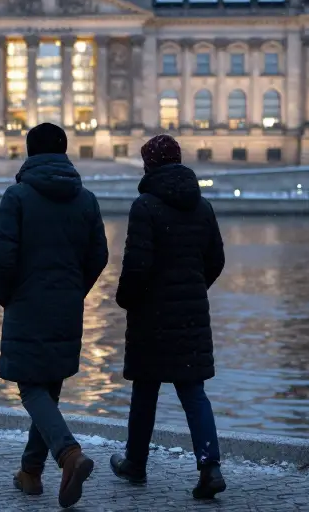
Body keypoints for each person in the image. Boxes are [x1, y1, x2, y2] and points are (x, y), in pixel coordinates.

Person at [0, 123, 108, 509]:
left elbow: (2, 256)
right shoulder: (86, 199)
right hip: (67, 304)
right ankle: (30, 473)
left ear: (29, 153)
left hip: (27, 302)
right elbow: (99, 255)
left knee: (30, 385)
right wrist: (75, 289)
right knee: (49, 386)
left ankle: (69, 454)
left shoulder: (18, 196)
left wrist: (7, 295)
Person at [109, 134, 227, 500]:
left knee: (145, 390)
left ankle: (135, 462)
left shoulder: (145, 206)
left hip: (150, 315)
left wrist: (126, 299)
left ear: (149, 166)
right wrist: (192, 288)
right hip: (190, 313)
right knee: (194, 392)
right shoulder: (202, 206)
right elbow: (216, 260)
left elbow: (136, 266)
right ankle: (210, 466)